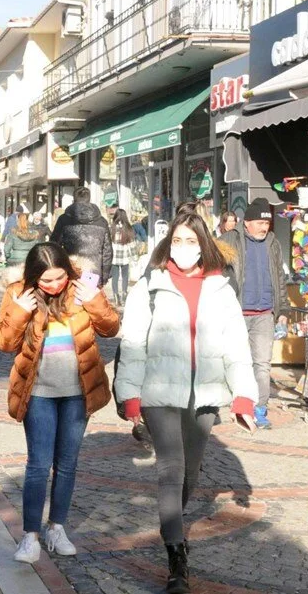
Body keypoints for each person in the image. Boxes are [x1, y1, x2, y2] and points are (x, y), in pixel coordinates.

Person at [116, 212, 257, 594]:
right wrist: (129, 395)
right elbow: (132, 344)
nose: (184, 249)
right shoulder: (149, 285)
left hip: (206, 394)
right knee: (170, 469)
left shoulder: (221, 289)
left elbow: (237, 347)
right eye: (177, 240)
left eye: (191, 241)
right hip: (159, 392)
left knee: (190, 474)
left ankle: (171, 521)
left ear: (204, 244)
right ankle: (177, 557)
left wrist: (244, 397)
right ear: (167, 243)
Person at [0, 242, 118, 565]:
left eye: (58, 277)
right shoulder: (18, 292)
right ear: (34, 276)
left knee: (67, 464)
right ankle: (30, 536)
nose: (52, 286)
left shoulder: (83, 288)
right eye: (45, 280)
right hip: (38, 394)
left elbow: (111, 328)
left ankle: (57, 528)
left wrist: (94, 301)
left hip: (78, 392)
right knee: (38, 465)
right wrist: (19, 309)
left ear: (67, 269)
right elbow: (4, 343)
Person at [219, 199, 288, 430]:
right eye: (259, 222)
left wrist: (283, 311)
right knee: (233, 361)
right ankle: (233, 402)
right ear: (246, 222)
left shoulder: (273, 243)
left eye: (266, 223)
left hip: (264, 313)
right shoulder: (229, 240)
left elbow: (279, 277)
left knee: (262, 364)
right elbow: (212, 270)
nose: (264, 227)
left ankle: (259, 409)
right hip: (236, 312)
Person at [50, 187, 112, 286]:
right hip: (93, 271)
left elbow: (54, 246)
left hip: (71, 269)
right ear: (89, 199)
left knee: (70, 300)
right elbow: (107, 251)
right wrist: (105, 276)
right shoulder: (102, 222)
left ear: (74, 200)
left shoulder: (64, 220)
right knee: (90, 300)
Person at [110, 209, 139, 305]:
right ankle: (124, 294)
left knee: (115, 276)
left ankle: (115, 295)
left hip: (114, 257)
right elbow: (132, 245)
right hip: (125, 257)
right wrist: (135, 258)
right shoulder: (128, 228)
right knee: (125, 276)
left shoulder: (112, 228)